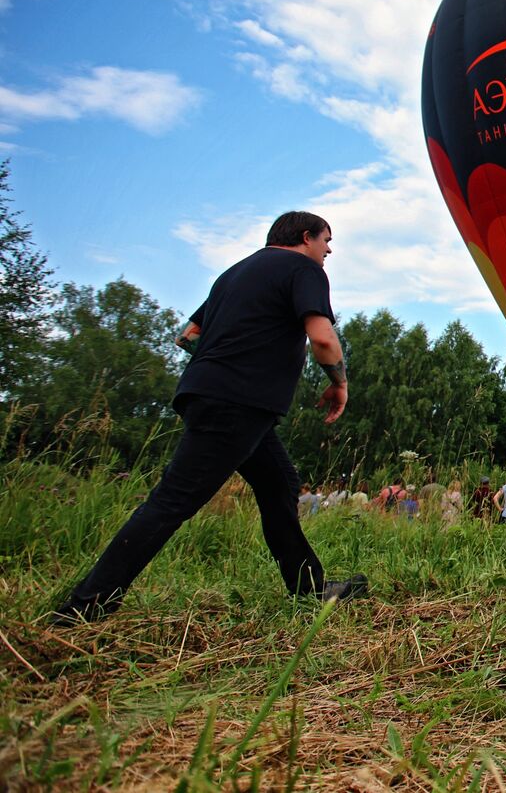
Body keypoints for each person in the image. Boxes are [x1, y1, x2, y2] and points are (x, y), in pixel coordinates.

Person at [52, 211, 366, 624]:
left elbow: (188, 335)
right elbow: (323, 337)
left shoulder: (234, 273)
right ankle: (84, 607)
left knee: (280, 484)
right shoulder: (302, 268)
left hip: (213, 395)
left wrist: (221, 367)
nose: (329, 250)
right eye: (326, 240)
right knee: (172, 502)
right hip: (239, 403)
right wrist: (338, 383)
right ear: (305, 237)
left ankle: (309, 588)